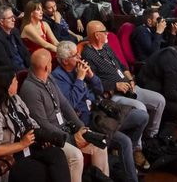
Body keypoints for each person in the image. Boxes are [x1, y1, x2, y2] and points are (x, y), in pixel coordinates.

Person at [53, 41, 142, 180]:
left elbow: (99, 90)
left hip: (100, 112)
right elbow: (70, 104)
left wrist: (91, 76)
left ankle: (121, 162)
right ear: (65, 61)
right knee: (125, 141)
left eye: (78, 54)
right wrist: (80, 79)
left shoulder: (78, 68)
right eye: (75, 55)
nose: (79, 57)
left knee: (141, 117)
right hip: (88, 121)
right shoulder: (58, 77)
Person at [18, 49, 110, 182]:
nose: (52, 64)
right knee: (76, 155)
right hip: (52, 138)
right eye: (50, 62)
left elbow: (65, 104)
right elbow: (43, 124)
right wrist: (71, 139)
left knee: (99, 143)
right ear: (46, 67)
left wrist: (81, 128)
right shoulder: (30, 89)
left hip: (66, 128)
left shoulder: (49, 78)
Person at [0, 67, 70, 182]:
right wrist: (21, 144)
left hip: (31, 148)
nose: (17, 82)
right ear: (7, 86)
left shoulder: (15, 99)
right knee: (41, 171)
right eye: (15, 80)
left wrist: (42, 137)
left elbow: (30, 120)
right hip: (14, 157)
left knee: (57, 154)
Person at [80, 22, 164, 148]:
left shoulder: (106, 47)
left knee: (160, 100)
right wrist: (115, 86)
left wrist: (130, 79)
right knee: (141, 108)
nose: (107, 33)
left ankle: (151, 136)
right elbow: (93, 83)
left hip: (129, 87)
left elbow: (121, 66)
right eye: (104, 31)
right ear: (97, 35)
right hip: (113, 94)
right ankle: (137, 147)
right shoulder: (87, 55)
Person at [0, 5, 30, 71]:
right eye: (10, 18)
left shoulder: (15, 31)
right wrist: (25, 72)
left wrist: (32, 67)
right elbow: (6, 63)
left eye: (13, 17)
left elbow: (25, 52)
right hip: (12, 71)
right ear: (1, 21)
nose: (14, 20)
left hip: (24, 67)